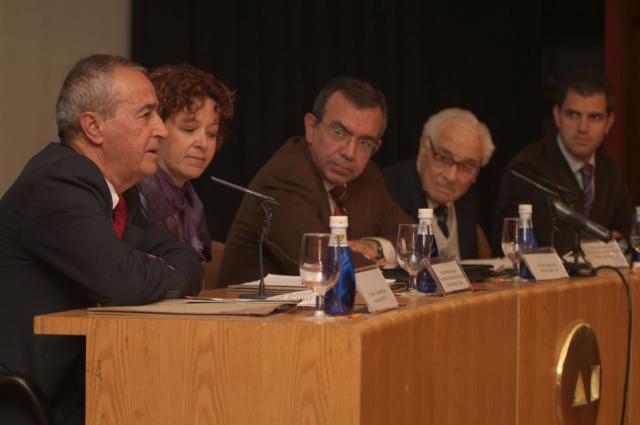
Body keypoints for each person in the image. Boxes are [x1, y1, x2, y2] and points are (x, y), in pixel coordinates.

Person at [0, 54, 203, 425]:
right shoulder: (59, 181)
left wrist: (149, 269)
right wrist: (148, 269)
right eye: (146, 115)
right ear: (93, 126)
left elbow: (186, 258)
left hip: (75, 394)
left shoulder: (119, 192)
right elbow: (123, 282)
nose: (160, 129)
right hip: (19, 402)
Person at [219, 77, 413, 286]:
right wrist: (385, 262)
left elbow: (414, 240)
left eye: (365, 143)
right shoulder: (283, 178)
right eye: (338, 133)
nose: (350, 153)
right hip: (258, 306)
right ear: (311, 128)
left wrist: (376, 248)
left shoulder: (367, 176)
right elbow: (324, 264)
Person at [493, 70, 632, 255]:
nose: (583, 128)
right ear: (557, 116)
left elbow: (627, 237)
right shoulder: (526, 169)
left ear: (609, 123)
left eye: (594, 117)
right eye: (573, 115)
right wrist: (603, 245)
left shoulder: (611, 170)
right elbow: (547, 245)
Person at [138, 64, 234, 264]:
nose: (203, 144)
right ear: (156, 127)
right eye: (189, 129)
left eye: (211, 134)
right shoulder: (134, 196)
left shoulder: (191, 201)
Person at [383, 108, 495, 259]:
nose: (451, 177)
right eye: (443, 158)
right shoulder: (387, 189)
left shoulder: (468, 200)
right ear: (423, 147)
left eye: (466, 167)